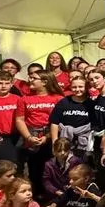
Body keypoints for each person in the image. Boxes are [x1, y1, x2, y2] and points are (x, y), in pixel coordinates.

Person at [15, 70, 64, 199]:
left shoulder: (58, 98)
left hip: (52, 135)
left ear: (45, 82)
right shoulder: (24, 99)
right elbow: (19, 120)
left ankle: (54, 196)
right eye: (30, 77)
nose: (30, 80)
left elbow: (61, 121)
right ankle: (36, 197)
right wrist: (28, 137)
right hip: (31, 136)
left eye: (34, 78)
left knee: (53, 169)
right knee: (34, 170)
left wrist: (47, 137)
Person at [48, 75, 93, 159]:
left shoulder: (91, 104)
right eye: (74, 87)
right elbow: (54, 123)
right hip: (64, 140)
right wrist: (55, 143)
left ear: (86, 87)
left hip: (84, 141)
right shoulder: (64, 102)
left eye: (80, 87)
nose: (77, 89)